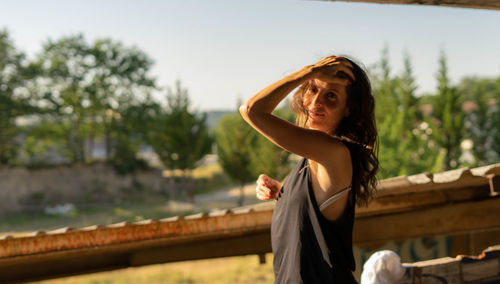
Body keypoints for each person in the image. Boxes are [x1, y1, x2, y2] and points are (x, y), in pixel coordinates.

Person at [239, 55, 379, 283]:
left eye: (331, 96)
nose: (315, 103)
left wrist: (309, 72)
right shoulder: (315, 160)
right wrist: (283, 193)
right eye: (312, 89)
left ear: (348, 110)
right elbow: (316, 218)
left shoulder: (335, 153)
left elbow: (252, 110)